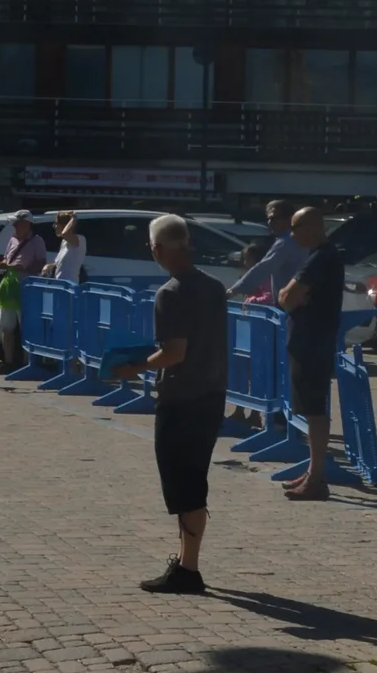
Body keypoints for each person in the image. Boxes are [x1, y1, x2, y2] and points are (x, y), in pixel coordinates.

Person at [113, 213, 230, 595]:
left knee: (184, 486)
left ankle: (189, 568)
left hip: (181, 397)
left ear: (156, 249)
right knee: (195, 479)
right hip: (212, 393)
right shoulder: (214, 287)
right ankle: (185, 561)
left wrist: (135, 367)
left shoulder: (170, 293)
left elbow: (174, 352)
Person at [275, 206, 346, 501]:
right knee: (310, 409)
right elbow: (287, 298)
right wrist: (290, 298)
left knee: (315, 412)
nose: (292, 234)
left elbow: (286, 297)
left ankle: (317, 477)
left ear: (314, 226)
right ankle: (312, 470)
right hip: (308, 342)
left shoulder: (322, 258)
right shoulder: (318, 257)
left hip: (314, 343)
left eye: (296, 227)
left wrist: (291, 298)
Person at [0, 213, 48, 372]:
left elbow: (41, 265)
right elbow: (7, 259)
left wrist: (22, 268)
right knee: (6, 327)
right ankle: (8, 362)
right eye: (14, 223)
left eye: (18, 223)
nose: (15, 226)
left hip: (26, 288)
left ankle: (27, 364)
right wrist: (2, 265)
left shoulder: (37, 241)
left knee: (27, 327)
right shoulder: (12, 239)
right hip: (8, 286)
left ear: (27, 224)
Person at [230, 198, 306, 303]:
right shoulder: (300, 238)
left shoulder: (286, 242)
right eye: (269, 219)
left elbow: (264, 267)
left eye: (275, 218)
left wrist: (232, 291)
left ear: (290, 219)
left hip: (294, 306)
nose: (270, 223)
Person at [50, 211, 88, 284]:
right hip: (59, 285)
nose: (54, 226)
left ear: (64, 225)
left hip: (70, 286)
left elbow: (65, 234)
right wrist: (49, 266)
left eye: (56, 223)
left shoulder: (80, 240)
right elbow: (61, 264)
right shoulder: (64, 242)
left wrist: (73, 218)